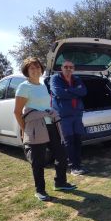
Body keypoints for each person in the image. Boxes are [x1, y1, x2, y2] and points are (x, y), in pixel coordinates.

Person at [14, 57, 76, 201]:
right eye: (31, 68)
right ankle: (40, 190)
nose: (35, 70)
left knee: (61, 154)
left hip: (50, 123)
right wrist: (25, 130)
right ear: (26, 71)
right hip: (35, 126)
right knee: (38, 160)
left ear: (41, 69)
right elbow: (17, 112)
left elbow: (45, 105)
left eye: (37, 67)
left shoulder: (42, 85)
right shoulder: (23, 87)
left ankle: (60, 183)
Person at [49, 60, 88, 175]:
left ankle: (78, 165)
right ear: (61, 68)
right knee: (68, 141)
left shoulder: (76, 79)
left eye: (71, 67)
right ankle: (73, 167)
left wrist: (68, 91)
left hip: (77, 114)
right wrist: (75, 92)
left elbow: (84, 92)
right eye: (66, 67)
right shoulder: (55, 79)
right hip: (64, 116)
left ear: (73, 69)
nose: (68, 69)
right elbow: (58, 92)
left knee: (77, 140)